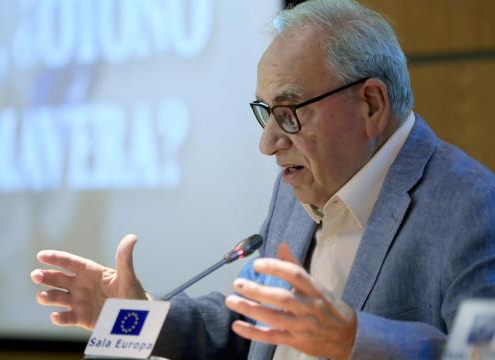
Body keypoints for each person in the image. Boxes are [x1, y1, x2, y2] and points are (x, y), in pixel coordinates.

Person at [30, 0, 495, 359]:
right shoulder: (296, 190)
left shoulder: (472, 206)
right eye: (265, 114)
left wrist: (353, 339)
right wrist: (131, 319)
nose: (269, 142)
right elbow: (241, 326)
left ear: (371, 104)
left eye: (290, 113)